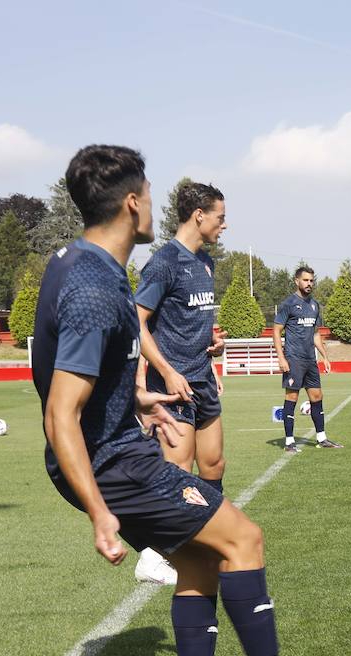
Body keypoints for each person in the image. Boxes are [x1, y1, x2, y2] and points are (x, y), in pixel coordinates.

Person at [32, 145, 351, 656]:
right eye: (149, 195)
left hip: (118, 444)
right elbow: (60, 412)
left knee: (201, 561)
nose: (153, 205)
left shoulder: (77, 264)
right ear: (133, 203)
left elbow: (76, 375)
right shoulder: (95, 286)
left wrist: (135, 400)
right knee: (243, 538)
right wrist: (100, 512)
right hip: (114, 464)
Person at [131, 181, 227, 587]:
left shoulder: (207, 263)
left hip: (203, 379)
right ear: (199, 215)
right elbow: (137, 323)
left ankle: (205, 538)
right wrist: (167, 371)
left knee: (214, 463)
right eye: (221, 217)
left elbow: (189, 322)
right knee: (177, 469)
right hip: (172, 385)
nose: (225, 225)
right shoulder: (164, 262)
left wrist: (212, 344)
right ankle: (152, 555)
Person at [273, 265, 338, 453]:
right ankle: (289, 442)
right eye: (305, 280)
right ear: (297, 281)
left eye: (311, 281)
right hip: (293, 359)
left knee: (317, 396)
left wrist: (324, 355)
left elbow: (315, 333)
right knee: (292, 397)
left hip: (310, 360)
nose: (309, 284)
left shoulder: (314, 305)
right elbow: (276, 331)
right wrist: (281, 357)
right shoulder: (288, 304)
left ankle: (322, 438)